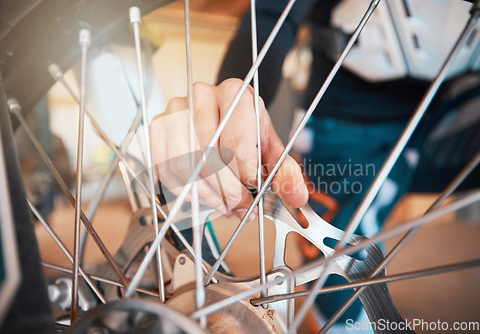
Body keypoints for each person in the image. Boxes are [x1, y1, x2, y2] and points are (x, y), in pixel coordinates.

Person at [150, 0, 480, 330]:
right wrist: (236, 96)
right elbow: (272, 13)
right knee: (342, 299)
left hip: (449, 109)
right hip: (345, 115)